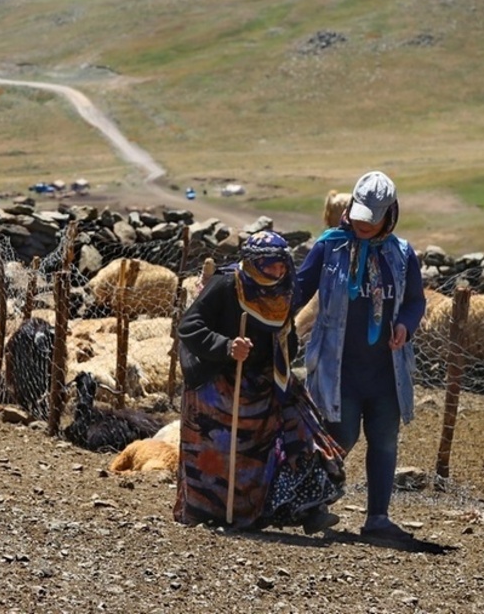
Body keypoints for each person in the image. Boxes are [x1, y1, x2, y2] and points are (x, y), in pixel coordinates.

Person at [174, 231, 346, 533]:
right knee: (221, 450)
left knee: (300, 428)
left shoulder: (282, 292)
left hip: (267, 378)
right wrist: (227, 346)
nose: (278, 271)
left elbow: (286, 338)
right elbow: (189, 325)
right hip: (220, 380)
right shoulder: (228, 284)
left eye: (281, 265)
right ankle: (214, 510)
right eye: (270, 265)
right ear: (254, 263)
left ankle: (307, 509)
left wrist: (283, 348)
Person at [294, 170, 428, 547]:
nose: (363, 224)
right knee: (341, 436)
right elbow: (300, 289)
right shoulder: (330, 247)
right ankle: (310, 504)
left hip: (387, 370)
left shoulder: (401, 255)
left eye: (373, 217)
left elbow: (416, 300)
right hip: (340, 368)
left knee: (384, 440)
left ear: (390, 215)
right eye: (359, 214)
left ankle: (378, 518)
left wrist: (405, 323)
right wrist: (269, 314)